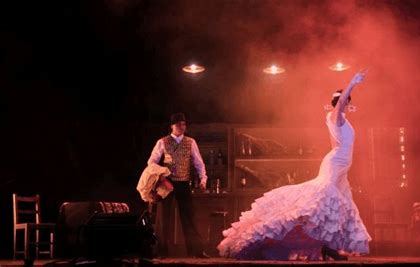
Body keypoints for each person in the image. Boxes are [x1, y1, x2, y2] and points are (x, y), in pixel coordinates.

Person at [217, 71, 371, 261]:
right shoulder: (334, 116)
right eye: (346, 100)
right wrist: (352, 83)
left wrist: (343, 163)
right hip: (335, 163)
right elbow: (339, 107)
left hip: (341, 165)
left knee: (342, 206)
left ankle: (330, 246)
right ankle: (326, 246)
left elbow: (335, 143)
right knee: (321, 202)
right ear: (342, 101)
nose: (347, 103)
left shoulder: (341, 119)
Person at [147, 113, 210, 258]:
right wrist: (160, 173)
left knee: (189, 217)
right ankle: (161, 251)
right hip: (166, 183)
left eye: (183, 124)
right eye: (178, 124)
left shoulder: (190, 142)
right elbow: (151, 162)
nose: (181, 127)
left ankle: (196, 251)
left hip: (183, 183)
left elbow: (199, 163)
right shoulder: (162, 142)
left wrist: (203, 180)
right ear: (172, 126)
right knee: (163, 218)